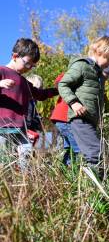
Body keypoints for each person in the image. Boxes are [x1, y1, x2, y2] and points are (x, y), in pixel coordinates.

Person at [58, 35, 109, 172]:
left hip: (89, 118)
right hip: (80, 117)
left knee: (88, 152)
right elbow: (63, 84)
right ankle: (94, 185)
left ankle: (82, 181)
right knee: (94, 152)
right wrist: (74, 103)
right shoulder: (82, 65)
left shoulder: (97, 74)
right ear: (99, 51)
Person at [0, 38, 58, 171]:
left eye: (32, 66)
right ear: (15, 56)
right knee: (4, 160)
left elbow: (40, 94)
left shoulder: (24, 81)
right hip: (2, 127)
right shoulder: (2, 71)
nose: (29, 68)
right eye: (27, 64)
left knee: (26, 156)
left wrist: (58, 90)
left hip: (21, 127)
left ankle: (24, 181)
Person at [50, 72, 80, 166]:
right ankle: (79, 171)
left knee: (69, 147)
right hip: (65, 119)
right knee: (78, 147)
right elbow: (59, 81)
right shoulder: (72, 78)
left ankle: (66, 169)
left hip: (61, 119)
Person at [26, 74, 43, 146]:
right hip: (24, 128)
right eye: (36, 88)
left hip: (31, 128)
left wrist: (37, 119)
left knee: (29, 149)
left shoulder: (34, 100)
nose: (38, 90)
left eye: (40, 88)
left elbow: (33, 114)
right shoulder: (25, 99)